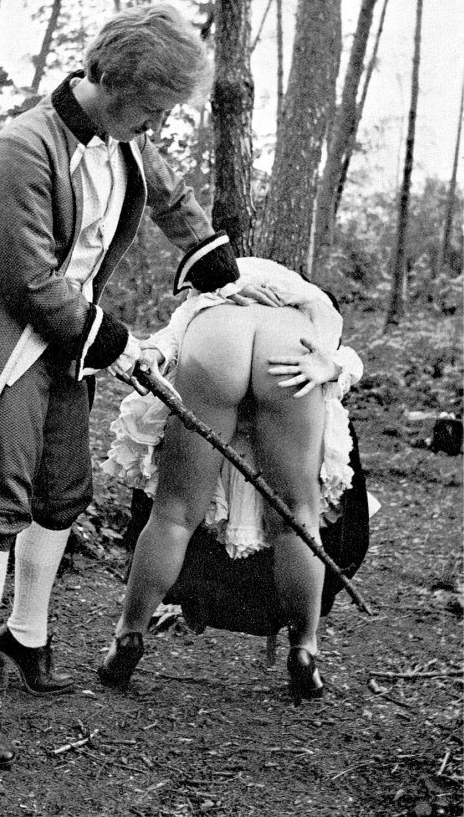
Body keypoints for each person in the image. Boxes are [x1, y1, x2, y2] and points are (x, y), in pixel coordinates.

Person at [0, 4, 241, 768]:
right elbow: (27, 280)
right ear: (110, 83)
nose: (158, 123)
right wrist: (120, 344)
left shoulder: (127, 133)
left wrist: (206, 251)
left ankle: (26, 635)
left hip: (70, 336)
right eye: (154, 107)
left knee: (61, 491)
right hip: (7, 338)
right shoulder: (21, 146)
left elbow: (167, 194)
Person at [97, 257, 364, 703]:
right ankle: (304, 649)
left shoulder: (211, 292)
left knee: (174, 515)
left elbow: (169, 340)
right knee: (297, 518)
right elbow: (343, 355)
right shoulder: (306, 300)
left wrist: (153, 356)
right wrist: (333, 368)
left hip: (215, 336)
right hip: (291, 346)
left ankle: (128, 635)